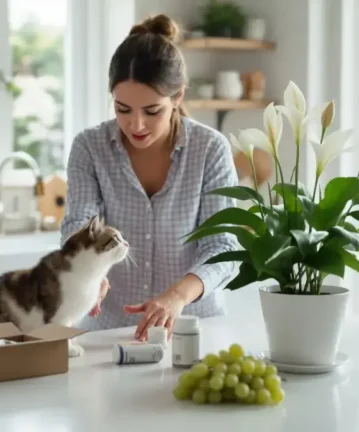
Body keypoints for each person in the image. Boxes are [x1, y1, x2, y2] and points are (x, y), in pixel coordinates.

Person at [60, 14, 241, 341]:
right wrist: (86, 270)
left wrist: (177, 296)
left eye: (152, 111)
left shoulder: (210, 149)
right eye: (123, 109)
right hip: (109, 334)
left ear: (177, 98)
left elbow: (223, 247)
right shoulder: (89, 148)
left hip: (193, 331)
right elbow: (79, 222)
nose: (136, 125)